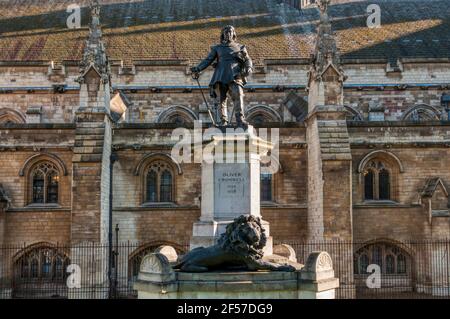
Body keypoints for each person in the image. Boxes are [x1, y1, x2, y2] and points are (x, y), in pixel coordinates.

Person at [191, 25, 253, 127]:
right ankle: (222, 121)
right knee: (221, 99)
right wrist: (198, 68)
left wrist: (249, 67)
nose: (228, 34)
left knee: (238, 94)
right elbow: (208, 60)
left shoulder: (241, 47)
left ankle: (240, 119)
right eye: (225, 32)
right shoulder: (217, 48)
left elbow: (247, 60)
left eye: (230, 32)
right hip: (220, 75)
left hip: (235, 74)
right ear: (223, 35)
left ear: (233, 34)